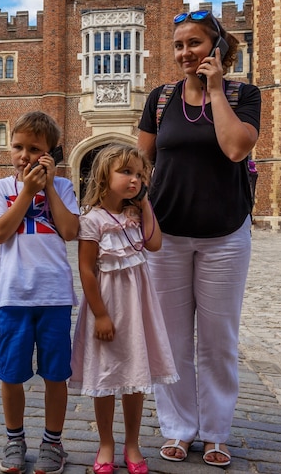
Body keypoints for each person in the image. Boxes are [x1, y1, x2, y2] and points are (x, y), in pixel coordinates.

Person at [136, 9, 261, 468]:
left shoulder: (243, 94)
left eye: (195, 43)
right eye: (179, 45)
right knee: (169, 339)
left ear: (216, 47)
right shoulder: (160, 98)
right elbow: (141, 162)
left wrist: (214, 89)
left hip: (224, 235)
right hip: (165, 236)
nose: (186, 52)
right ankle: (177, 427)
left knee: (217, 339)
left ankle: (215, 432)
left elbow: (234, 146)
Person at [70, 144, 178, 474]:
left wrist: (145, 203)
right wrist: (100, 314)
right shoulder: (91, 220)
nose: (133, 179)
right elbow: (87, 270)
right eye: (125, 172)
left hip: (137, 308)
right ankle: (106, 443)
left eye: (139, 174)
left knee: (135, 376)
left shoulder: (135, 215)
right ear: (105, 176)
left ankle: (133, 443)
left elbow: (155, 243)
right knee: (104, 376)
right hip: (106, 306)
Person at [0, 110, 80, 474]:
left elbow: (70, 231)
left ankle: (53, 442)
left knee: (56, 374)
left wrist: (49, 187)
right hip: (14, 296)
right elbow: (0, 232)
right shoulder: (0, 189)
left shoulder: (66, 188)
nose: (24, 155)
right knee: (12, 373)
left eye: (34, 148)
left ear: (49, 153)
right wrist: (27, 192)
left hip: (54, 295)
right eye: (18, 146)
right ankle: (15, 439)